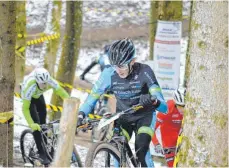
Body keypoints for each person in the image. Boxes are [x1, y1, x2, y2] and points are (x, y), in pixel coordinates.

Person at [77, 38, 168, 167]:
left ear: (133, 61)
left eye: (122, 65)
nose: (119, 70)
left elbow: (164, 108)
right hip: (123, 116)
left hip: (144, 117)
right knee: (116, 147)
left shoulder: (145, 71)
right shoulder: (108, 74)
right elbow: (91, 100)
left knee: (141, 151)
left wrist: (153, 101)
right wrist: (81, 114)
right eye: (115, 66)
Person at [21, 67, 69, 165]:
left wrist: (71, 102)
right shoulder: (30, 86)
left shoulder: (49, 81)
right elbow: (25, 109)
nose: (45, 85)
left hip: (38, 95)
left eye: (46, 83)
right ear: (37, 81)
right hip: (29, 99)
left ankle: (46, 146)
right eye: (43, 83)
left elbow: (61, 91)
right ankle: (41, 152)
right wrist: (31, 124)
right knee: (37, 124)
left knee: (44, 121)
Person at [152, 88, 186, 167]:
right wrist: (156, 144)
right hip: (169, 145)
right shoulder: (166, 109)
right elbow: (152, 128)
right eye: (180, 106)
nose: (183, 109)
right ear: (175, 103)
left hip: (182, 142)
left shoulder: (190, 111)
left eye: (184, 106)